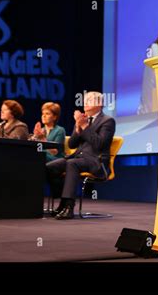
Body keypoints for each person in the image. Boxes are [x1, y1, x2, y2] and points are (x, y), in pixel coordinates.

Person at [46, 91, 116, 220]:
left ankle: (69, 207)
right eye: (85, 100)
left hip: (97, 161)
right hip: (78, 158)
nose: (85, 103)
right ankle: (62, 201)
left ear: (99, 104)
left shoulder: (108, 121)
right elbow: (72, 144)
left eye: (89, 100)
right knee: (49, 167)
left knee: (71, 164)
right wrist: (78, 129)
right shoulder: (83, 119)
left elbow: (99, 145)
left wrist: (84, 126)